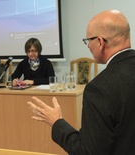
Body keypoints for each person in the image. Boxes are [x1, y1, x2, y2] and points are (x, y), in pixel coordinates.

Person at [27, 10, 135, 155]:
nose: (88, 46)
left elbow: (87, 152)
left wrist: (57, 123)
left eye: (88, 40)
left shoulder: (99, 89)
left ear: (100, 42)